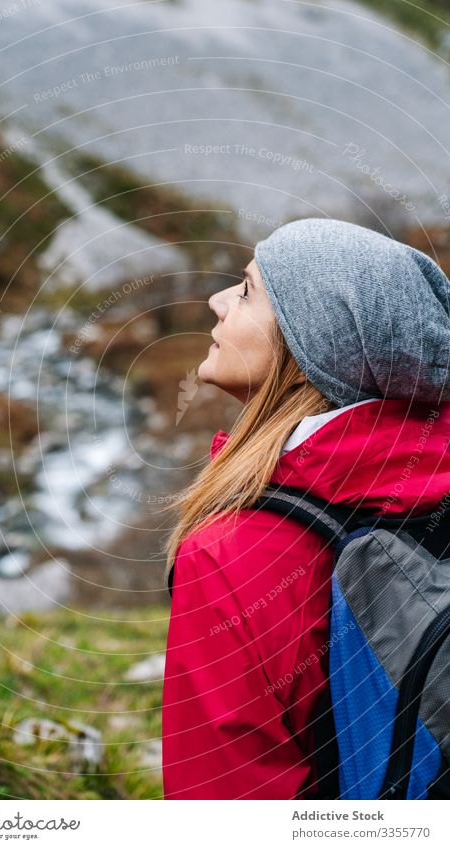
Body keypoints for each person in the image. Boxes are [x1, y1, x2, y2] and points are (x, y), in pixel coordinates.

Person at [160, 217, 450, 800]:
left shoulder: (235, 552)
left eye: (246, 292)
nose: (218, 302)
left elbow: (226, 805)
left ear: (309, 346)